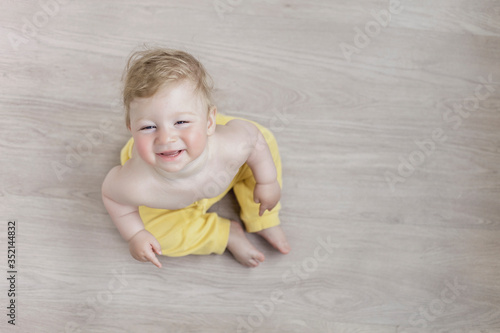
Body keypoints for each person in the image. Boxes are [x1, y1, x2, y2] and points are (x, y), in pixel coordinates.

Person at [101, 48, 290, 268]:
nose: (166, 138)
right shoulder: (135, 182)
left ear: (210, 122)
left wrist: (267, 181)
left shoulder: (232, 145)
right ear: (131, 129)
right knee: (157, 238)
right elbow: (113, 198)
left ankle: (261, 215)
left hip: (223, 168)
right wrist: (135, 235)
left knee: (264, 139)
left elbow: (255, 139)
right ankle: (224, 233)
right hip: (170, 203)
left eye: (181, 122)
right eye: (149, 127)